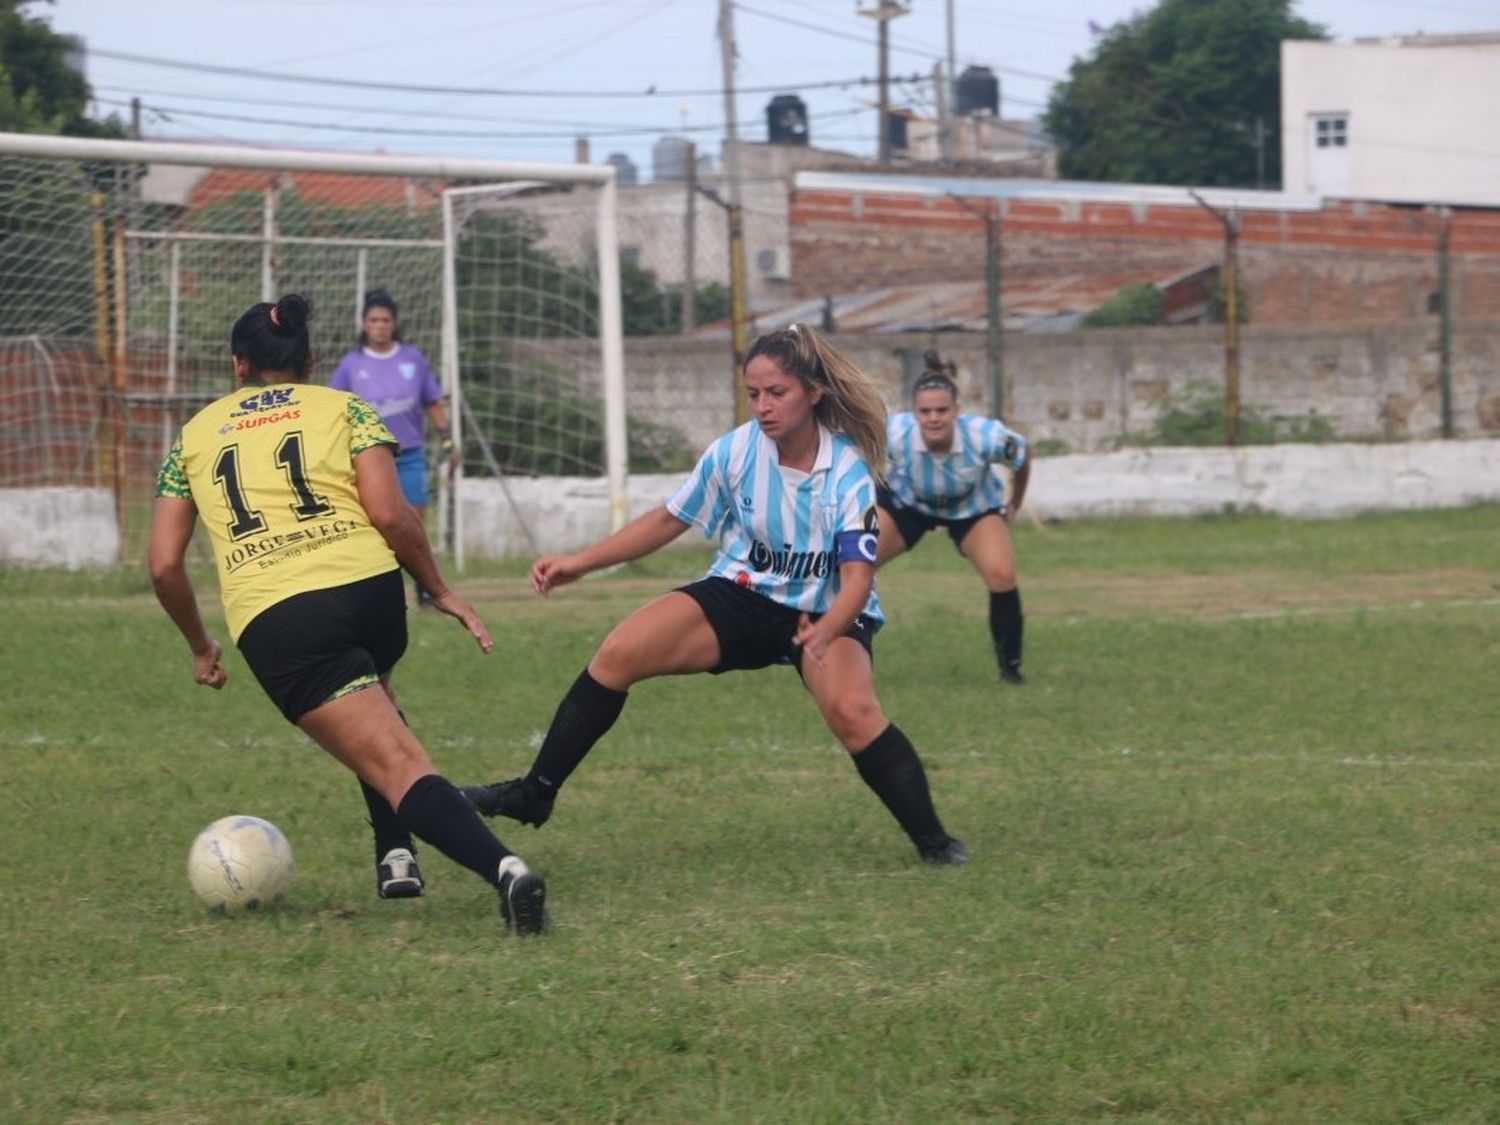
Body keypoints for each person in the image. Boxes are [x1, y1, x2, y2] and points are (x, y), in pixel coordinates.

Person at [462, 323, 969, 867]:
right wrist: (580, 563)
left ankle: (935, 843)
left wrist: (825, 629)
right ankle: (534, 793)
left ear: (813, 393)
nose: (763, 407)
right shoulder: (735, 451)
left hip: (827, 610)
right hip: (743, 594)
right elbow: (667, 519)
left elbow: (859, 580)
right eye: (754, 394)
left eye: (778, 393)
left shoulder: (846, 471)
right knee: (617, 655)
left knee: (854, 711)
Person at [148, 293, 547, 934]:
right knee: (374, 700)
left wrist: (200, 646)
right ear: (310, 358)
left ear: (236, 364)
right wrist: (440, 590)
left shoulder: (192, 437)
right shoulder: (347, 408)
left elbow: (164, 565)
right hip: (371, 592)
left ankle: (507, 873)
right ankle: (395, 855)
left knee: (393, 760)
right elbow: (391, 515)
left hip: (282, 619)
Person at [877, 349, 1031, 684]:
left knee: (1002, 575)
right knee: (853, 567)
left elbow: (1023, 455)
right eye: (926, 411)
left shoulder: (985, 437)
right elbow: (853, 455)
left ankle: (1011, 669)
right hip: (907, 503)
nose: (934, 418)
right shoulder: (893, 433)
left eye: (942, 410)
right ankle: (828, 654)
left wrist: (1013, 503)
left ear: (957, 412)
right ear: (913, 413)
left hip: (972, 508)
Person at [328, 288, 454, 608]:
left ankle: (426, 590)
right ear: (364, 324)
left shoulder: (412, 359)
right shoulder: (351, 364)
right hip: (368, 458)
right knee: (376, 524)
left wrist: (448, 438)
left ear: (394, 324)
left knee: (413, 522)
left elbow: (432, 402)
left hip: (409, 453)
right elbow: (331, 409)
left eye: (385, 320)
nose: (380, 325)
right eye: (374, 319)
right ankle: (378, 591)